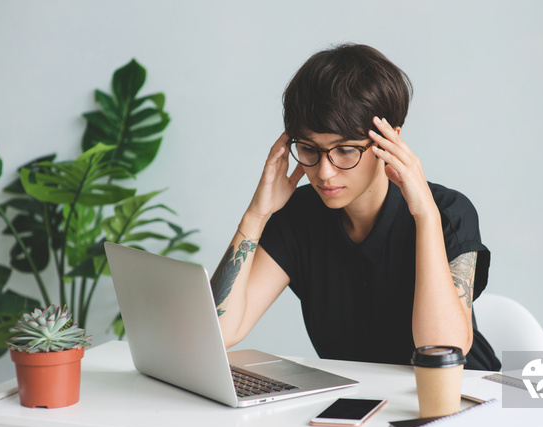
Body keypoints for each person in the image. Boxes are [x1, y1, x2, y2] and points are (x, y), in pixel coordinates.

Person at [211, 43, 501, 371]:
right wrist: (257, 214)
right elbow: (219, 333)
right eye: (308, 148)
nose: (324, 172)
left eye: (346, 150)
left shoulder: (448, 213)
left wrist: (425, 216)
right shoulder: (299, 217)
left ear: (387, 141)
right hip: (361, 406)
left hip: (465, 399)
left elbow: (442, 350)